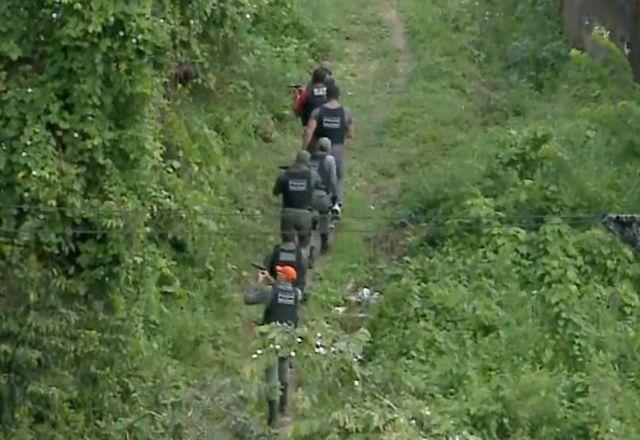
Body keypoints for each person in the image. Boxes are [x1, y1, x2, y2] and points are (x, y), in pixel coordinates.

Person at [244, 265, 302, 427]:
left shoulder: (270, 292)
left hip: (271, 338)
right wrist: (273, 282)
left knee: (272, 378)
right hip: (287, 338)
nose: (278, 274)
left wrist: (260, 282)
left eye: (280, 273)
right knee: (284, 374)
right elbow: (285, 294)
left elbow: (248, 299)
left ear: (283, 277)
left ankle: (273, 419)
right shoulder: (297, 294)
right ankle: (284, 410)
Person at [304, 82, 354, 219]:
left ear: (326, 95)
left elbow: (309, 131)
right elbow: (351, 133)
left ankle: (312, 203)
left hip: (320, 147)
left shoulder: (318, 112)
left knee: (317, 173)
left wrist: (305, 149)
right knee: (338, 176)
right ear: (338, 96)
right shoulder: (345, 112)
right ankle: (336, 204)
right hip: (338, 148)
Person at [272, 151, 323, 261]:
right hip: (304, 214)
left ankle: (287, 264)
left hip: (287, 213)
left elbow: (275, 192)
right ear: (307, 162)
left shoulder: (285, 174)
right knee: (304, 241)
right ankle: (303, 262)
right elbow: (320, 186)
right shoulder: (311, 174)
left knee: (287, 243)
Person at [309, 137, 338, 254]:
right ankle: (324, 244)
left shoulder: (310, 158)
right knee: (325, 217)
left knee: (310, 219)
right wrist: (334, 195)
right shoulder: (329, 159)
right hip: (322, 194)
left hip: (309, 194)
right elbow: (333, 179)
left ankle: (309, 246)